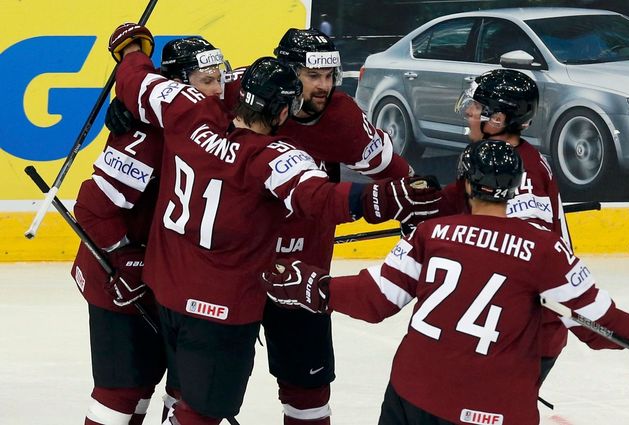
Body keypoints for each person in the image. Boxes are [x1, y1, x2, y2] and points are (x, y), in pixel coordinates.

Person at [107, 22, 440, 425]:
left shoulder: (344, 119)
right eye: (312, 75)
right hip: (236, 277)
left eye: (329, 75)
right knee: (191, 391)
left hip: (296, 274)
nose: (324, 86)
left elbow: (395, 172)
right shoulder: (235, 94)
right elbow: (170, 91)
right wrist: (133, 117)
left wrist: (415, 209)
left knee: (305, 386)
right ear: (285, 80)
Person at [261, 139, 629, 425]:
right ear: (513, 188)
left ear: (466, 182)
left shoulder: (432, 233)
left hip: (412, 395)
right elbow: (596, 319)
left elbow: (375, 298)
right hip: (492, 408)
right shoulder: (543, 249)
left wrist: (313, 287)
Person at [71, 32, 228, 425]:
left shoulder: (218, 126)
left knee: (182, 391)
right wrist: (124, 260)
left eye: (218, 78)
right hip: (119, 279)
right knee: (123, 392)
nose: (217, 89)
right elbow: (91, 208)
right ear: (174, 86)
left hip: (173, 279)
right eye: (205, 80)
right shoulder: (145, 138)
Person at [442, 69, 571, 384]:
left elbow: (529, 255)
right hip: (501, 327)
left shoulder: (522, 174)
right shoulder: (492, 159)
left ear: (497, 119)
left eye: (477, 106)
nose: (469, 111)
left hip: (521, 334)